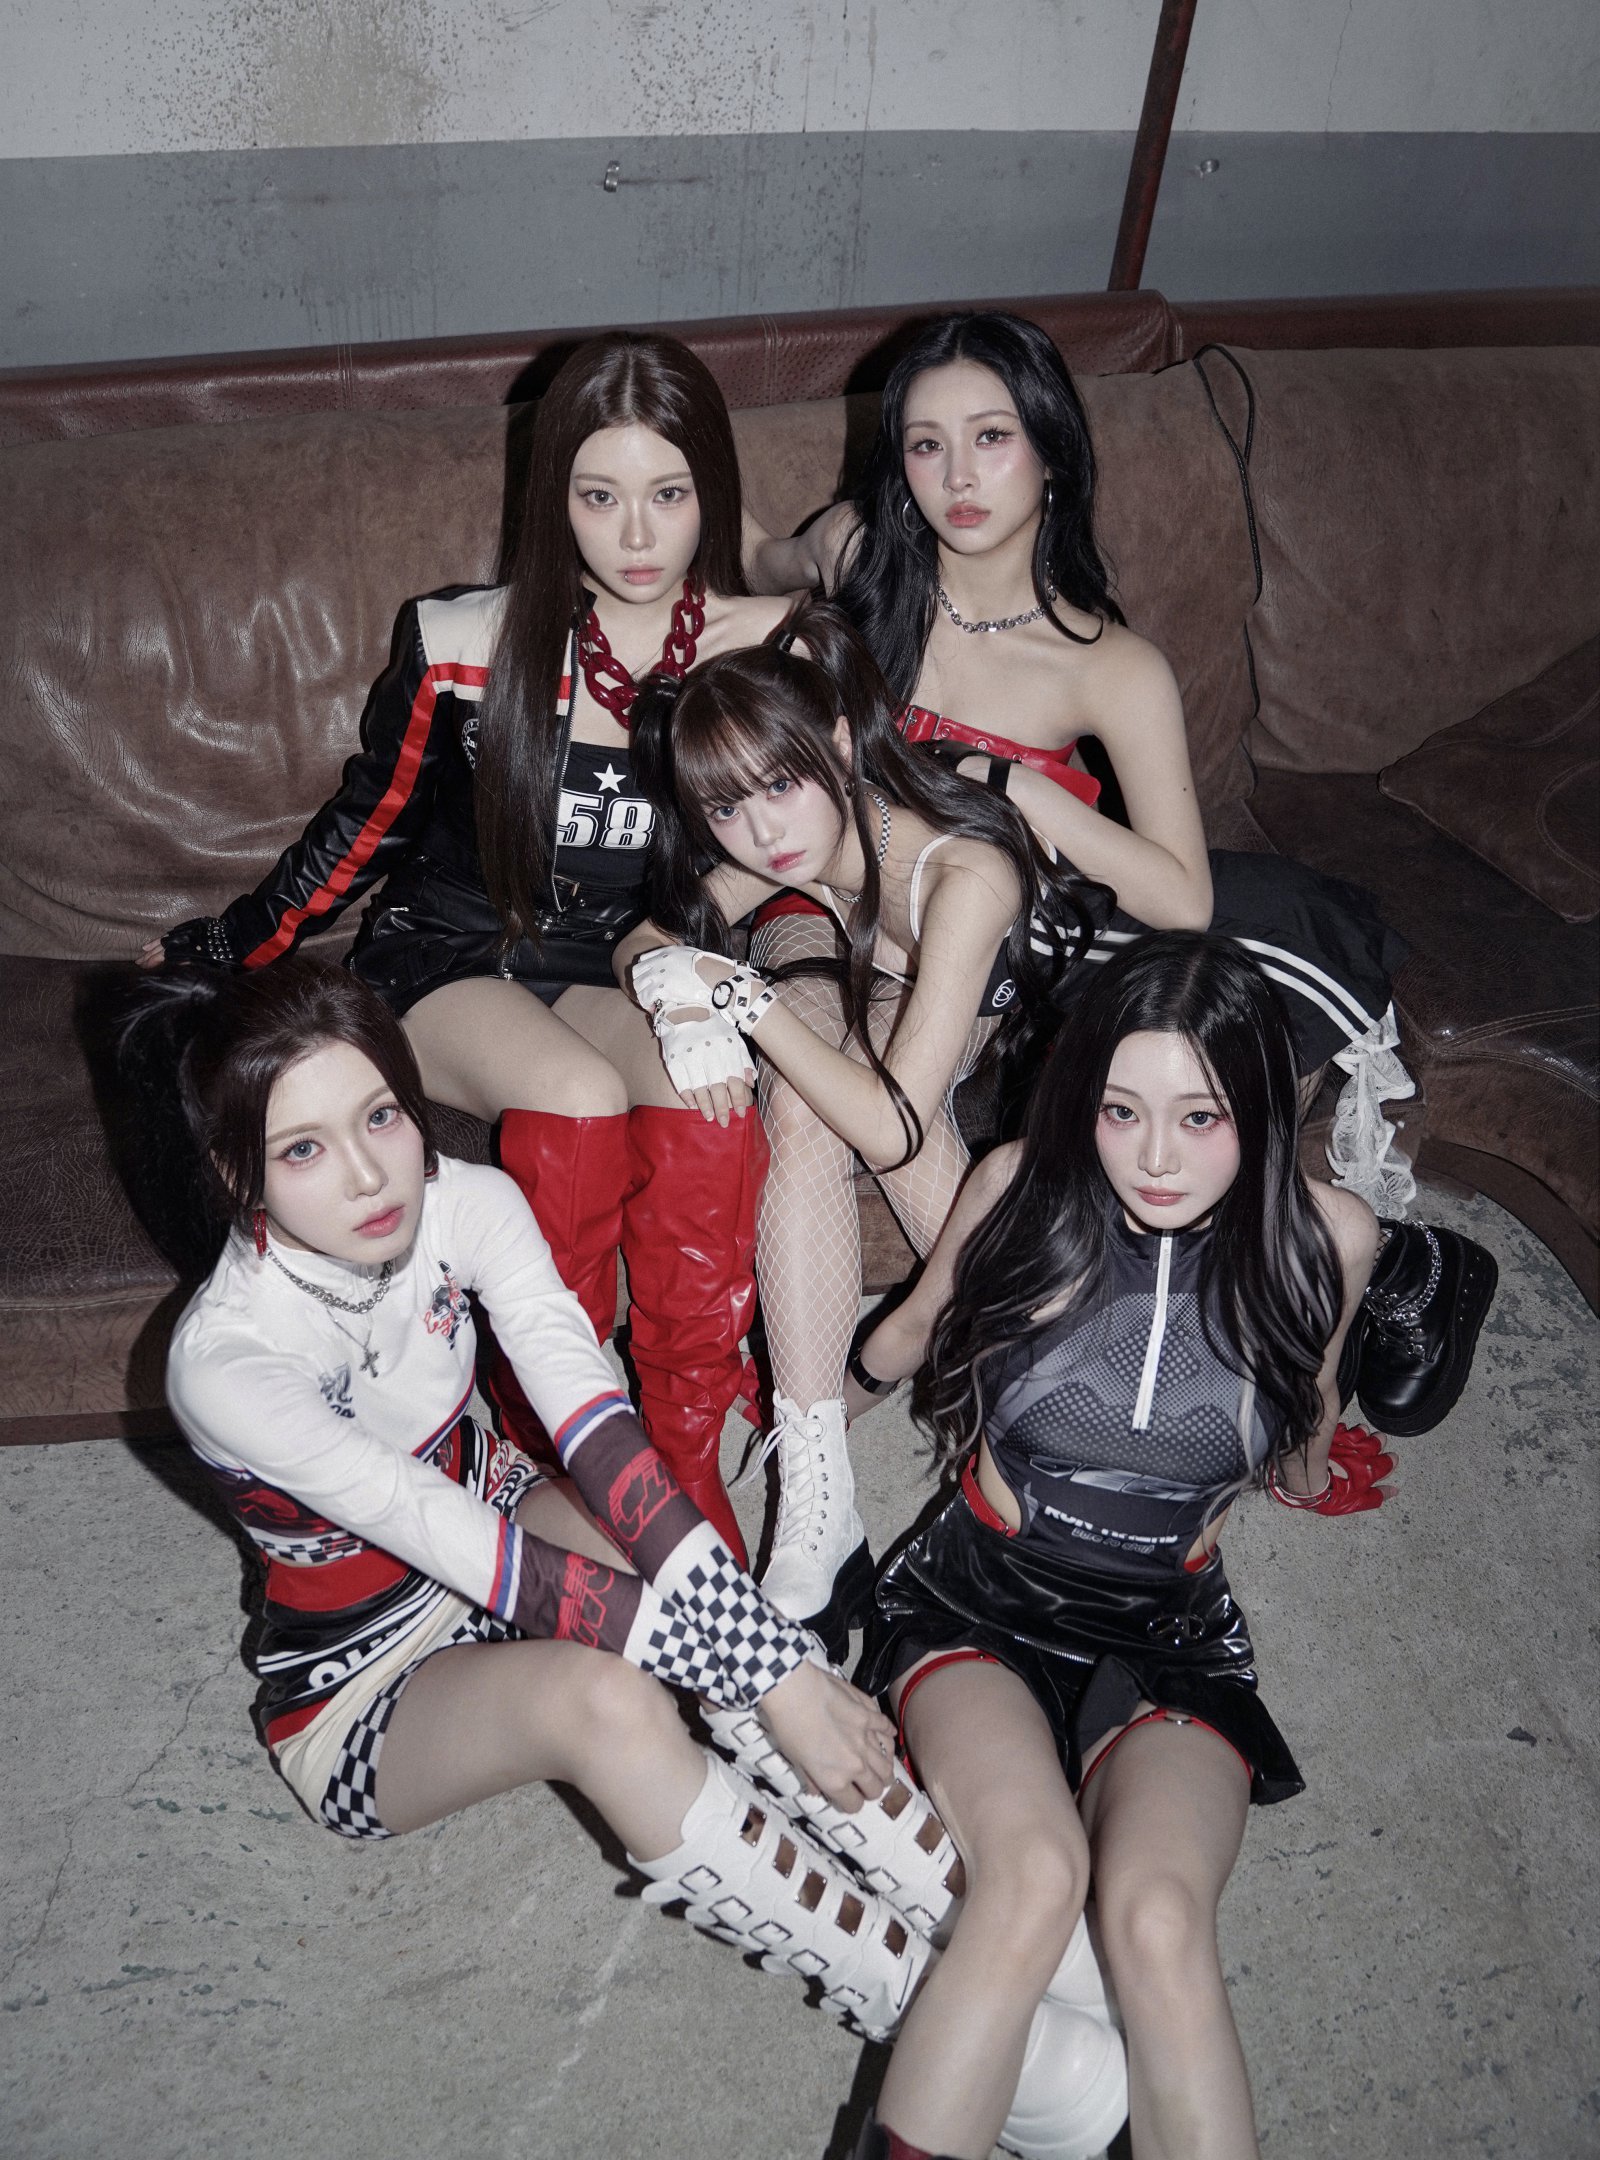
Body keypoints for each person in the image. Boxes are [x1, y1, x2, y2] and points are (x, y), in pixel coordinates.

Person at [141, 955, 941, 2043]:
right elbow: (447, 1539)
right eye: (303, 1149)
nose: (371, 1177)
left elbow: (597, 1427)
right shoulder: (225, 1364)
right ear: (238, 1172)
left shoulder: (464, 1201)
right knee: (605, 1703)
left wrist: (771, 1662)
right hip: (362, 1673)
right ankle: (915, 1993)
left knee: (678, 1555)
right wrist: (773, 1672)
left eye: (380, 1116)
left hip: (490, 1499)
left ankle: (957, 1899)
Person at [751, 309, 1496, 1437]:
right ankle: (860, 1408)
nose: (958, 477)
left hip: (1024, 939)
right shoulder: (864, 556)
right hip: (878, 920)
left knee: (1147, 1126)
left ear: (1050, 450)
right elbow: (762, 561)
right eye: (926, 444)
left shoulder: (1110, 665)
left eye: (992, 437)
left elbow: (1180, 893)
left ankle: (1398, 1261)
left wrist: (1026, 788)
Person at [140, 332, 797, 1560]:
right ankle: (556, 1439)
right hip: (457, 947)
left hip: (626, 954)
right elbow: (367, 823)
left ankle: (683, 1451)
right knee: (575, 1095)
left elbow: (800, 828)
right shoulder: (460, 638)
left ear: (713, 489)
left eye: (668, 494)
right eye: (598, 497)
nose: (637, 536)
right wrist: (230, 944)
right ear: (553, 500)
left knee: (706, 1101)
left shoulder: (769, 644)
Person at [840, 932, 1385, 2160]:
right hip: (981, 1600)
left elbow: (1309, 1409)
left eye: (1200, 1117)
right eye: (1121, 1110)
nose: (1154, 1157)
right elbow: (904, 1337)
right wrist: (784, 1439)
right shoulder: (1018, 1187)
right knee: (1031, 1879)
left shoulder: (1330, 1238)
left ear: (1259, 1110)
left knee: (1158, 1921)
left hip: (1171, 1633)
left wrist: (1311, 1461)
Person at [621, 599, 1109, 1653]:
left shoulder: (961, 870)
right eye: (725, 809)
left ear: (840, 746)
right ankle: (820, 1484)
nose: (763, 832)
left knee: (822, 1088)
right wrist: (673, 991)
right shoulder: (787, 848)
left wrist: (735, 999)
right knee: (802, 1098)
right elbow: (647, 938)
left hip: (1026, 1011)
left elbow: (892, 1128)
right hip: (863, 979)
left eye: (781, 785)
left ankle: (1041, 1392)